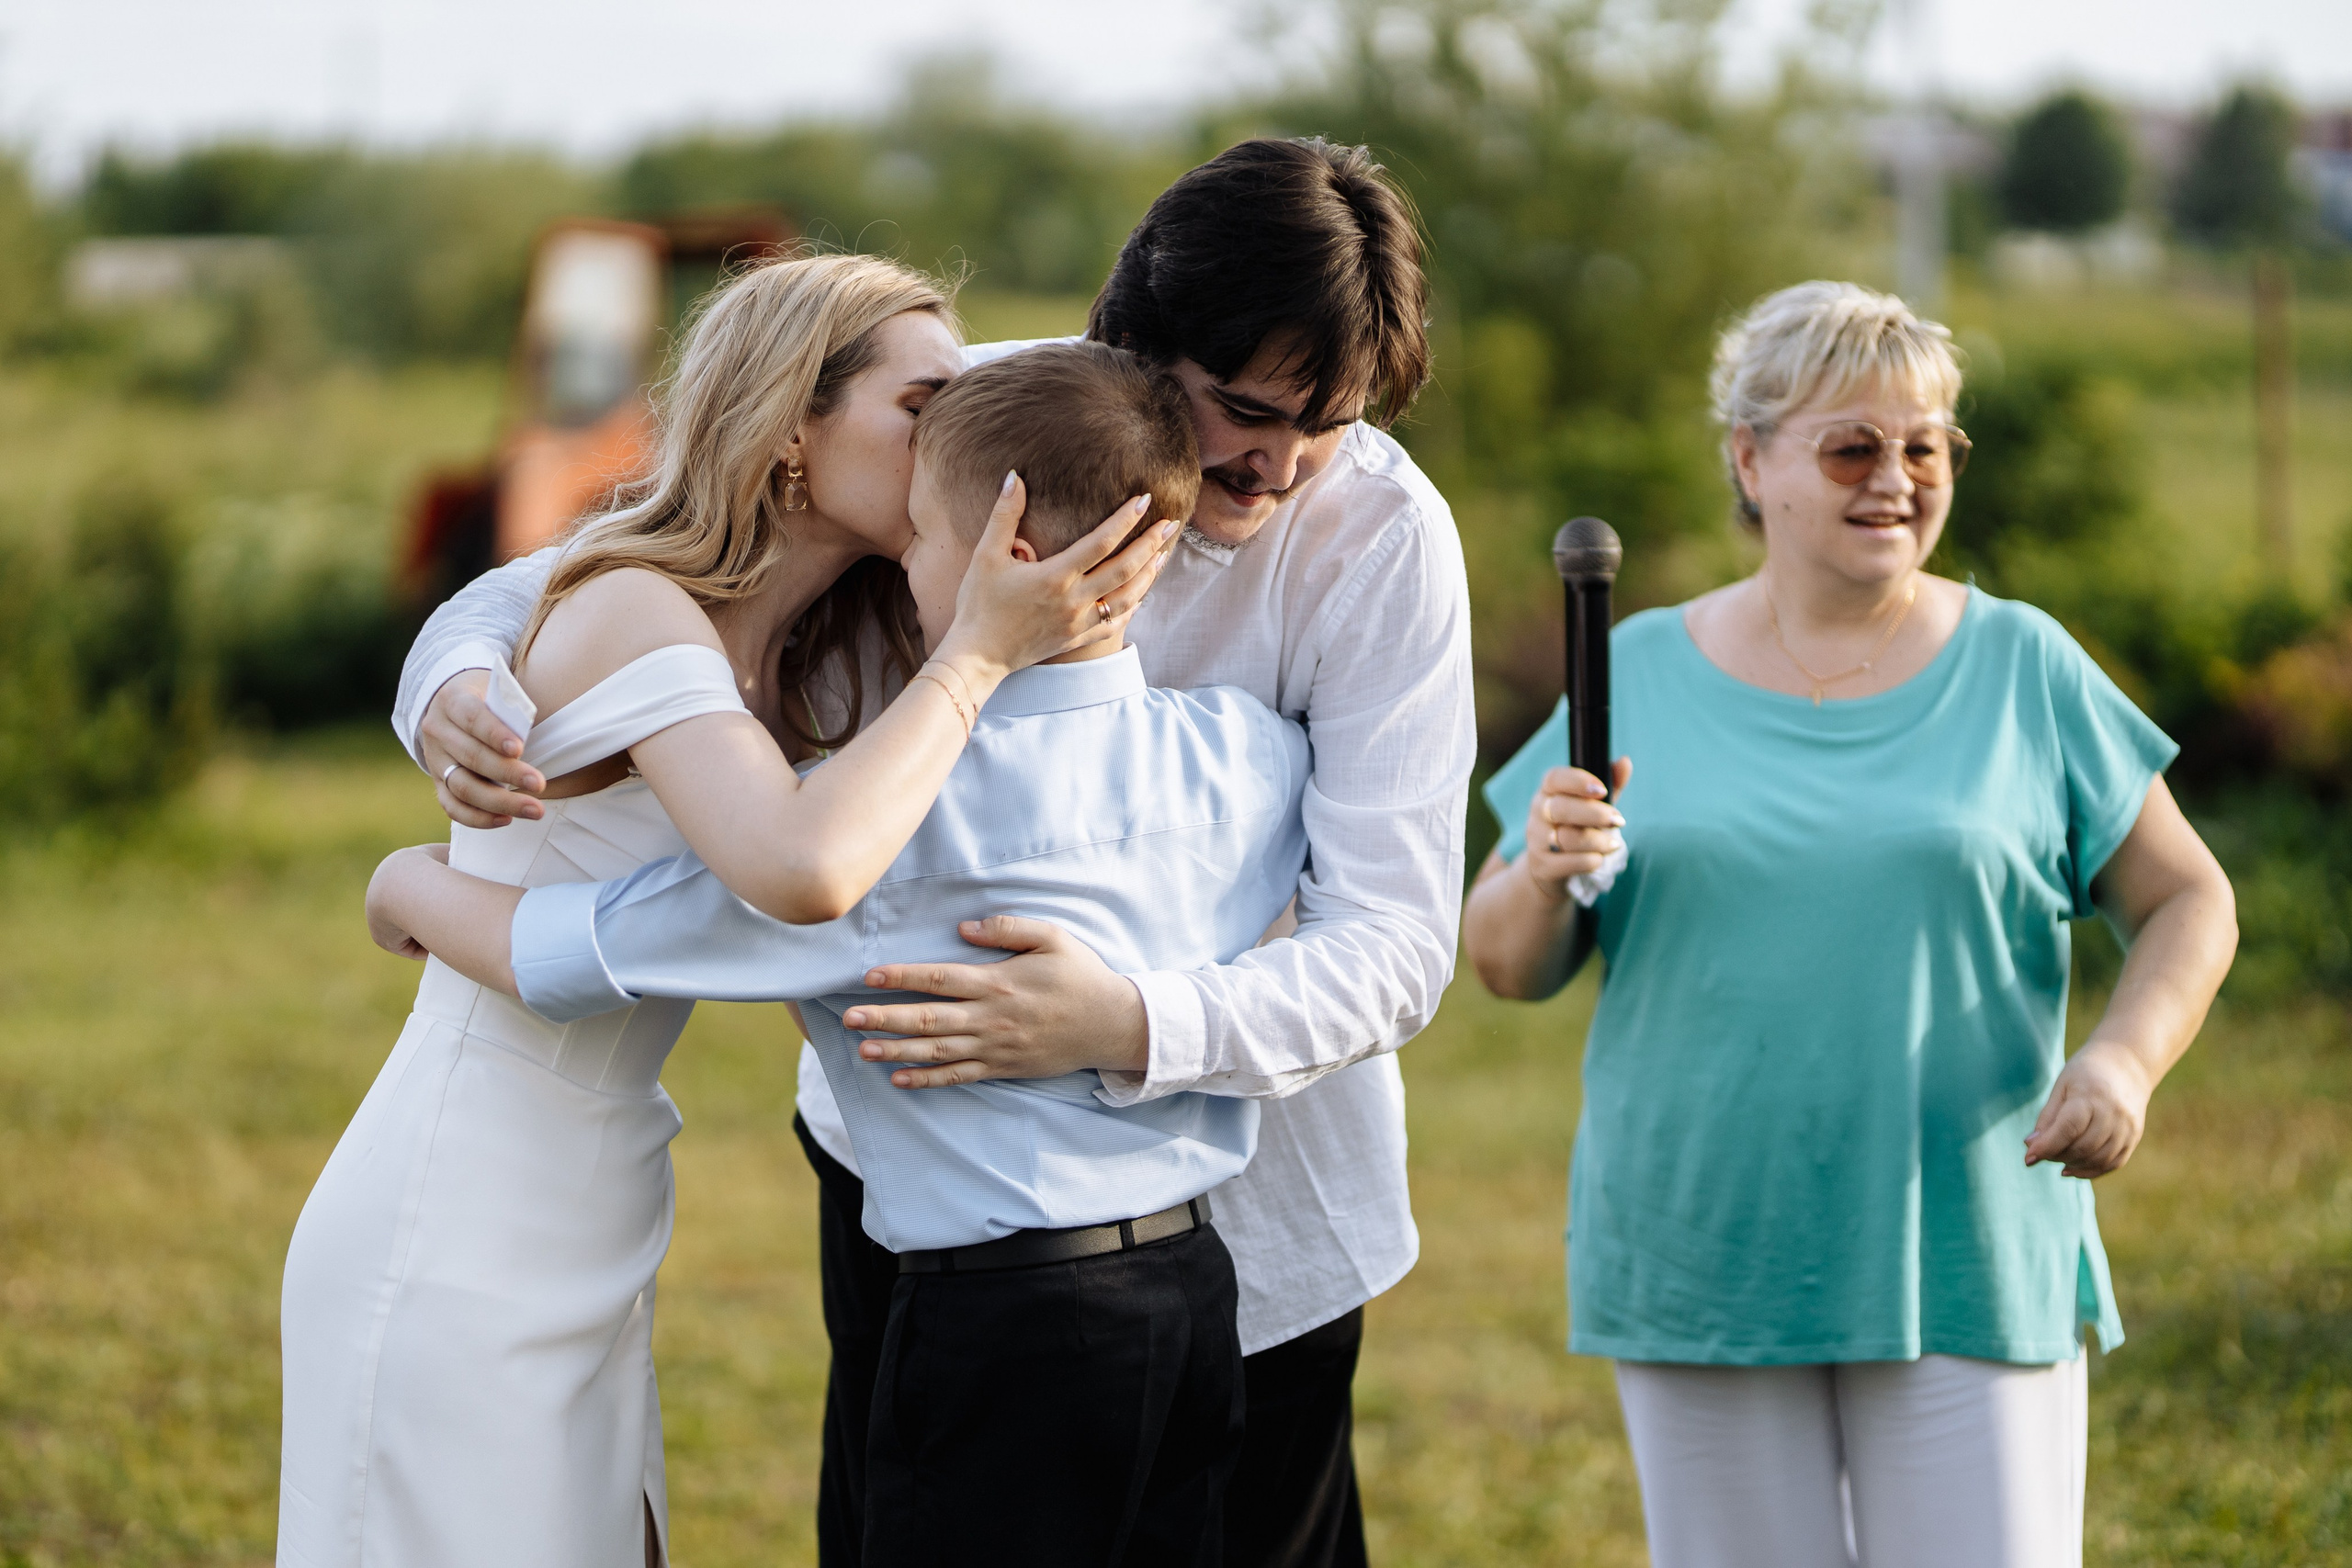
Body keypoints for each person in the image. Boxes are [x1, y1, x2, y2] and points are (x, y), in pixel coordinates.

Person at [397, 137, 1471, 1568]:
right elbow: (631, 545)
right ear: (1129, 347)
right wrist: (450, 678)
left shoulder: (1382, 539)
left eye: (1328, 422)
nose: (1283, 464)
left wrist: (1126, 1020)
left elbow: (1396, 941)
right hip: (916, 1202)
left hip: (1262, 1222)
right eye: (1244, 412)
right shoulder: (990, 425)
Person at [275, 255, 1167, 1568]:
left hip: (602, 1188)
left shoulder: (823, 647)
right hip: (458, 1202)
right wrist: (983, 652)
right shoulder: (644, 611)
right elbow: (802, 872)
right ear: (793, 427)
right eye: (921, 403)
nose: (958, 432)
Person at [1459, 280, 2239, 1568]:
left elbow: (2189, 898)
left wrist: (2123, 1061)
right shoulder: (1633, 671)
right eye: (1852, 446)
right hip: (1702, 1246)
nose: (1897, 479)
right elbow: (1505, 961)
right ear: (1750, 460)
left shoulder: (2024, 666)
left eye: (1927, 446)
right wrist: (1541, 871)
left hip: (1969, 1247)